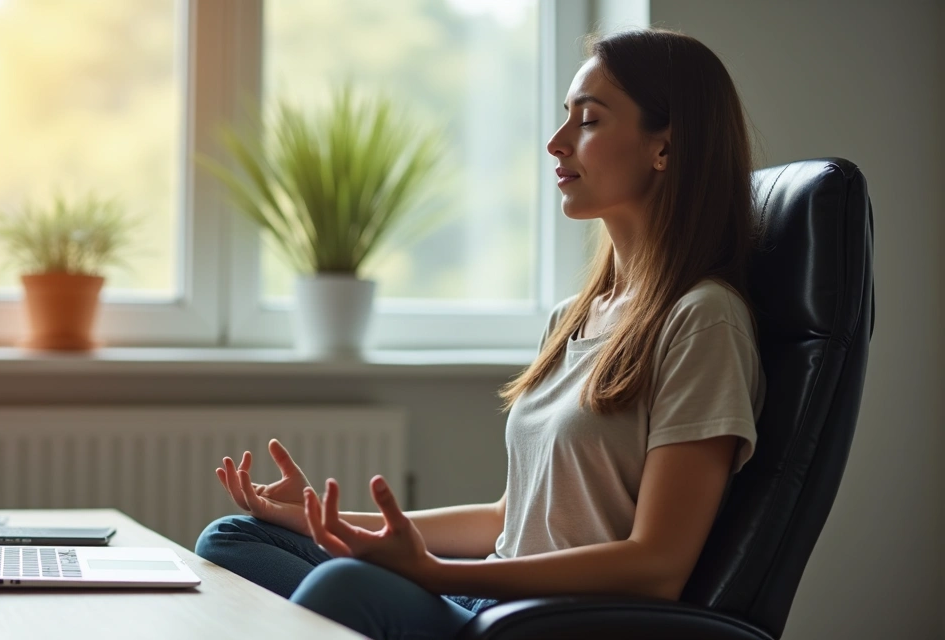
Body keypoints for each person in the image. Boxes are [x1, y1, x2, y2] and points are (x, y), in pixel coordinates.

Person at [194, 27, 765, 640]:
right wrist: (321, 523)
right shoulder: (575, 315)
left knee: (343, 589)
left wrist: (435, 575)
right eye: (564, 118)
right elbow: (506, 520)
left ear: (666, 149)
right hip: (487, 596)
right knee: (237, 538)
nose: (556, 142)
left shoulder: (702, 319)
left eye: (588, 121)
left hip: (551, 623)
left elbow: (657, 567)